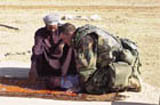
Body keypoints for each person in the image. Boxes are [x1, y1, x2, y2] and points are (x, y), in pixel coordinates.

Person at [59, 23, 142, 94]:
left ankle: (130, 82)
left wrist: (79, 87)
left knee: (90, 87)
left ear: (69, 34)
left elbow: (87, 69)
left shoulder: (84, 40)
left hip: (116, 68)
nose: (64, 42)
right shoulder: (83, 33)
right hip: (113, 65)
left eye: (64, 39)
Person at [29, 14, 78, 90]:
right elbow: (37, 49)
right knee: (39, 49)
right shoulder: (40, 33)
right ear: (45, 25)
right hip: (48, 58)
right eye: (50, 28)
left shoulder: (63, 30)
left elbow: (70, 36)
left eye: (54, 28)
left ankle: (65, 73)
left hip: (62, 57)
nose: (52, 30)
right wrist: (33, 67)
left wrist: (62, 43)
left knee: (70, 46)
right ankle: (46, 73)